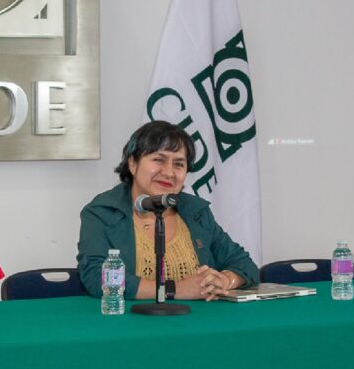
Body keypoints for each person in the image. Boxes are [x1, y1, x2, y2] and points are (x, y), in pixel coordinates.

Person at [77, 120, 259, 301]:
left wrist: (225, 280)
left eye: (179, 164)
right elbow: (95, 277)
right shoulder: (103, 212)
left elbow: (244, 264)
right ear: (132, 163)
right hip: (130, 317)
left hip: (197, 317)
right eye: (159, 160)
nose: (169, 172)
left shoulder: (196, 211)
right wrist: (174, 290)